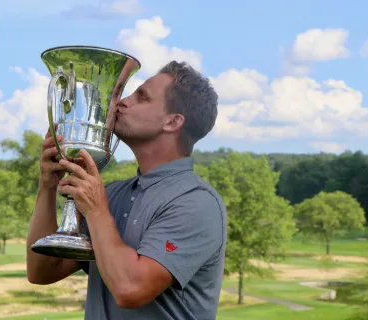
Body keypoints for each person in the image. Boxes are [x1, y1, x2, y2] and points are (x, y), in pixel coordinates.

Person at [26, 60, 227, 320]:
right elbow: (42, 271)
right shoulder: (111, 195)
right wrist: (48, 186)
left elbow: (130, 289)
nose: (122, 102)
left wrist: (97, 211)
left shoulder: (197, 203)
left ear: (172, 122)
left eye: (141, 97)